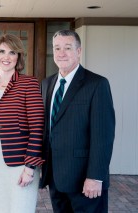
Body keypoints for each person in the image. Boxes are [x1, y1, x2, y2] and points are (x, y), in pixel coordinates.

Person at [40, 29, 115, 212]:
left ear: (79, 51)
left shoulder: (97, 84)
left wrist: (95, 177)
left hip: (85, 180)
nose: (61, 53)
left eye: (67, 47)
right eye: (57, 48)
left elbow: (103, 136)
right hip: (56, 177)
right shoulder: (46, 84)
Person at [0, 34, 45, 213]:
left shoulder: (29, 83)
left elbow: (37, 127)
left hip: (19, 163)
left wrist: (30, 166)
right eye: (2, 51)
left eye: (12, 52)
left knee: (20, 208)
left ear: (18, 57)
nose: (6, 57)